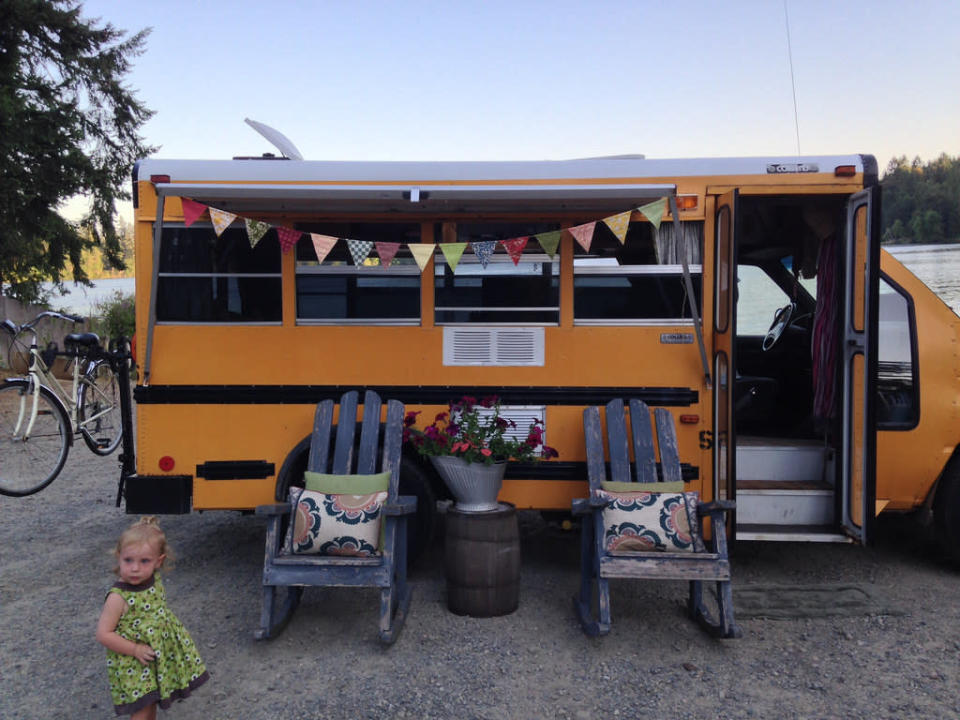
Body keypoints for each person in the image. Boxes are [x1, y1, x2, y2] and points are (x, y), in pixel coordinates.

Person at [96, 517, 209, 718]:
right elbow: (104, 634)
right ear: (118, 557)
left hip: (156, 657)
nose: (135, 568)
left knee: (151, 705)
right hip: (133, 664)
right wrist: (135, 649)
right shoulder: (118, 597)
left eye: (144, 561)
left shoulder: (153, 579)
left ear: (159, 561)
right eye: (128, 560)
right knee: (141, 709)